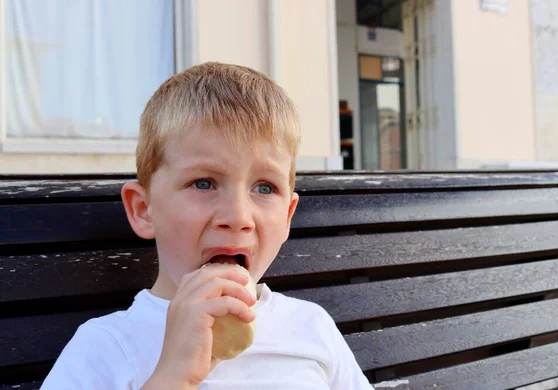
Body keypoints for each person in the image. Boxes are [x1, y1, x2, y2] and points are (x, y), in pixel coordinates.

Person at [41, 62, 374, 389]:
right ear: (145, 210)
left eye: (264, 188)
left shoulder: (310, 328)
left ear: (287, 217)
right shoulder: (106, 347)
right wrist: (173, 377)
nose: (238, 218)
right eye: (203, 183)